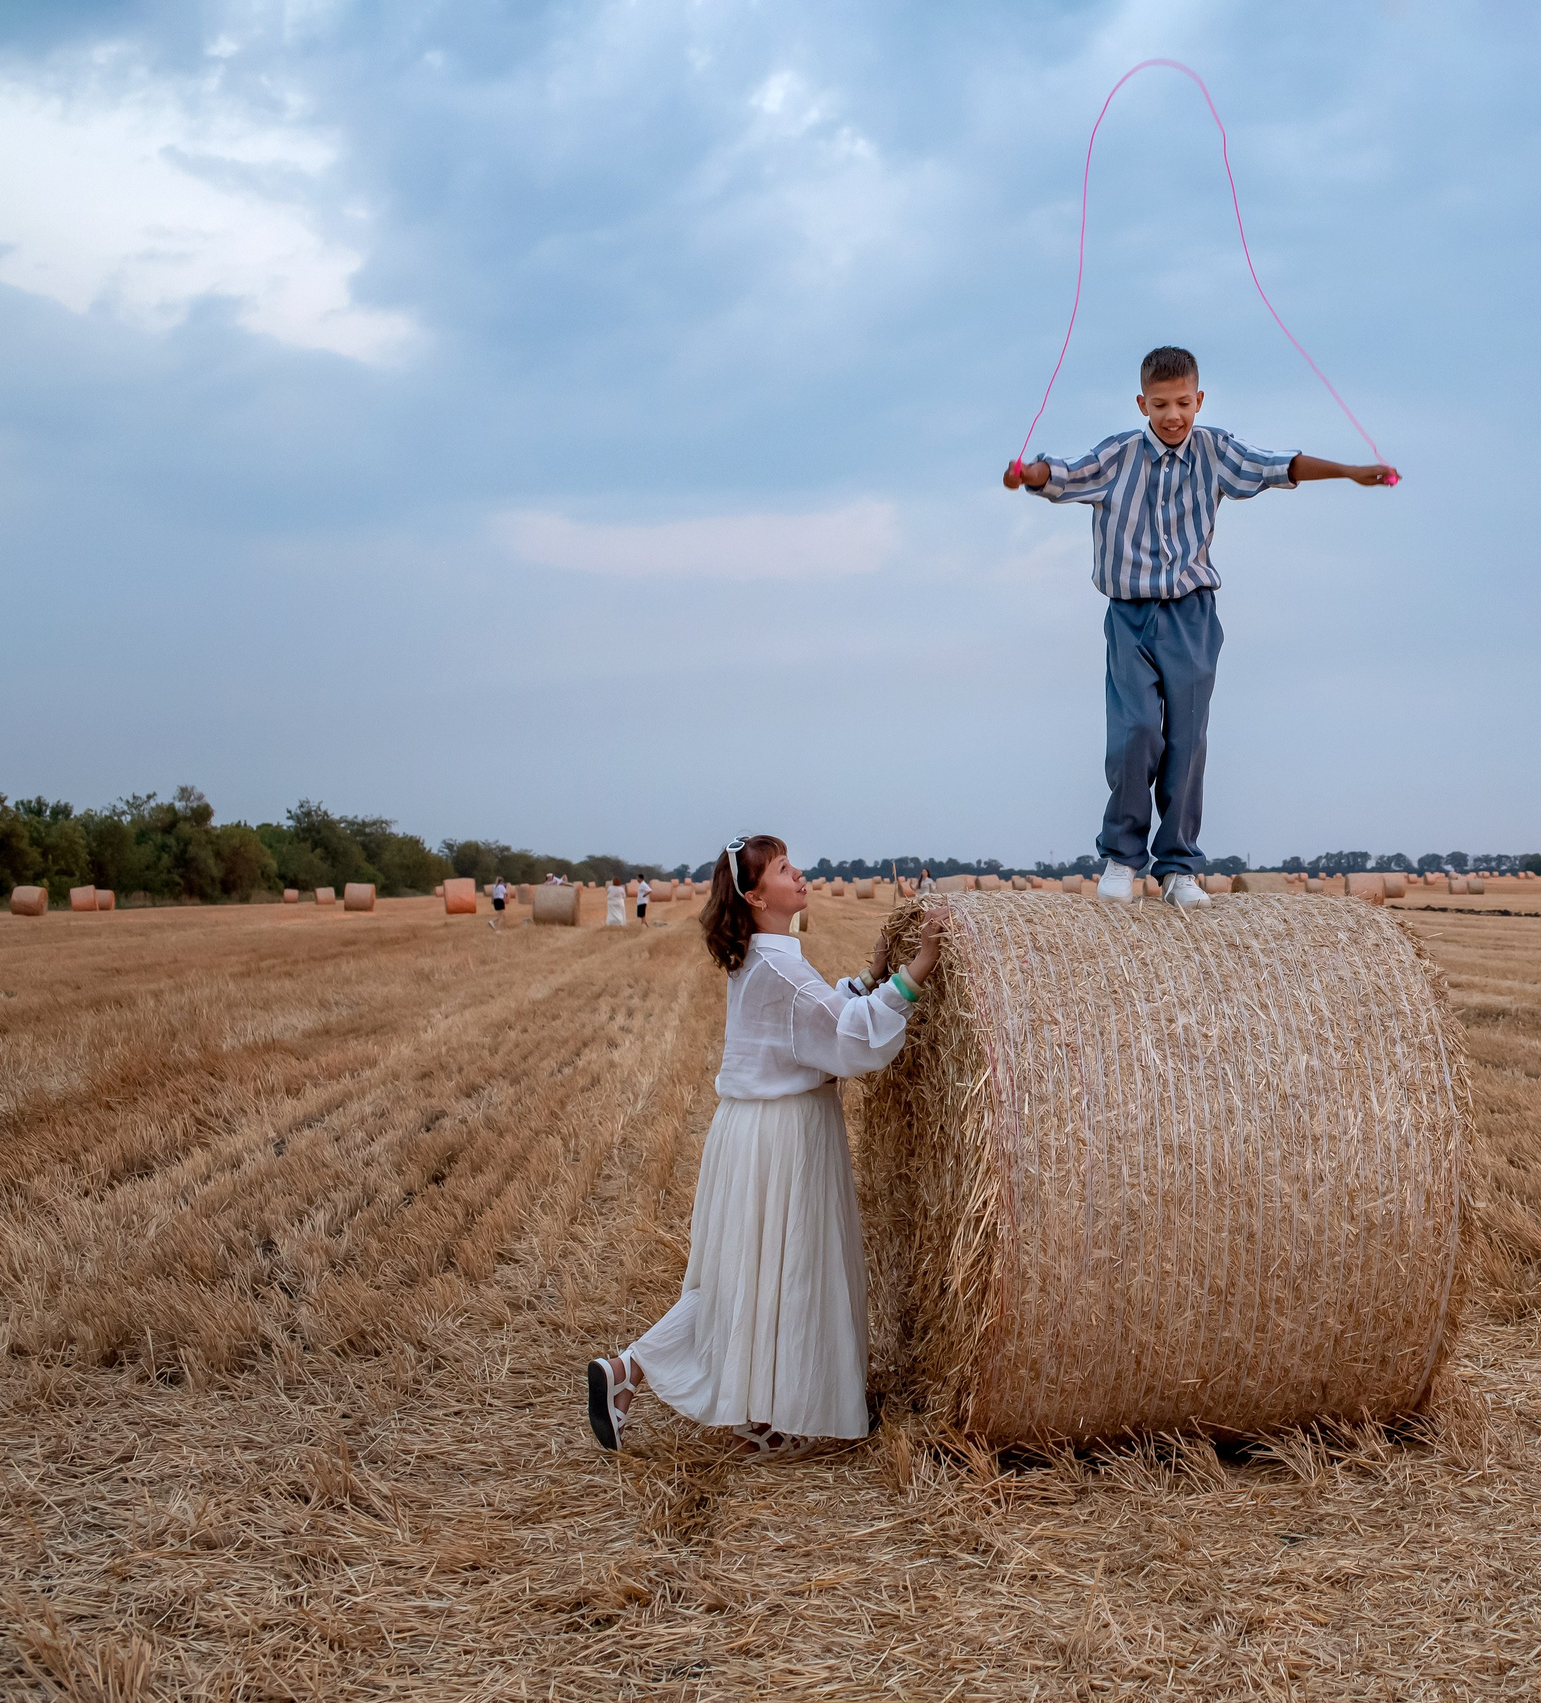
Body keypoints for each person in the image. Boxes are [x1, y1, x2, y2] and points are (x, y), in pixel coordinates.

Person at [586, 834, 943, 1460]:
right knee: (789, 1270)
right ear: (755, 896)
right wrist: (917, 971)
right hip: (785, 1136)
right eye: (783, 868)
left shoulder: (762, 960)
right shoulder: (781, 969)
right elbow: (849, 1038)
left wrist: (870, 974)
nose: (799, 873)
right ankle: (649, 1373)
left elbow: (812, 1021)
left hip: (753, 1129)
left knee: (745, 1274)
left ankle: (650, 1377)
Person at [1006, 345, 1395, 908]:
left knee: (1187, 742)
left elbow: (1278, 465)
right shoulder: (1117, 456)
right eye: (1161, 404)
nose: (1173, 415)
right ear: (1142, 404)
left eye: (1184, 403)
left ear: (1200, 400)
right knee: (1137, 733)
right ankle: (1122, 857)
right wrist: (1029, 474)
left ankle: (1178, 868)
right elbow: (1062, 475)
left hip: (1192, 615)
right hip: (1130, 616)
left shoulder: (1216, 451)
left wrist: (1351, 472)